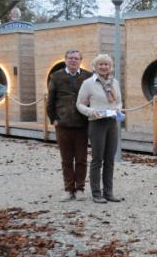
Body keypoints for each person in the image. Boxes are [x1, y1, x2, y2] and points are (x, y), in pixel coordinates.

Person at [76, 54, 123, 204]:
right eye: (101, 64)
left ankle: (108, 192)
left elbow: (119, 101)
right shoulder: (88, 83)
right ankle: (96, 193)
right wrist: (91, 112)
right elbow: (80, 104)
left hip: (112, 123)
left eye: (107, 64)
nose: (104, 67)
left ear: (111, 67)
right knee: (97, 159)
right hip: (97, 123)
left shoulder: (114, 82)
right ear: (95, 67)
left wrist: (117, 109)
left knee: (110, 159)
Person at [46, 49, 92, 201]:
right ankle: (68, 189)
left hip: (82, 124)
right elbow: (50, 100)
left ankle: (80, 188)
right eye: (70, 58)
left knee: (81, 159)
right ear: (65, 59)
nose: (73, 61)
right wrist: (53, 119)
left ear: (80, 60)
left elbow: (91, 98)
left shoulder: (88, 76)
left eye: (76, 58)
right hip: (63, 124)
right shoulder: (56, 76)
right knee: (66, 160)